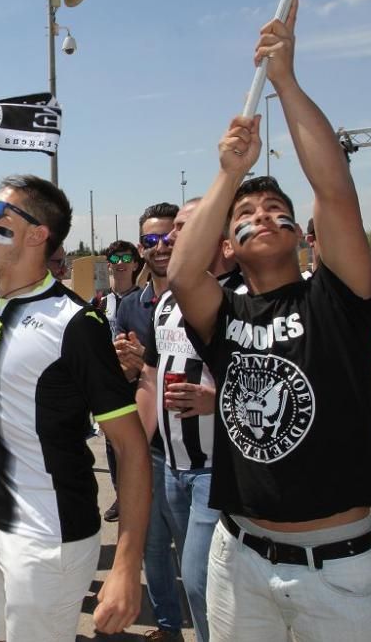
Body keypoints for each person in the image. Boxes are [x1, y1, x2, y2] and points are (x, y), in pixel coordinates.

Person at [168, 0, 371, 641]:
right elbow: (186, 275)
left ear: (301, 233)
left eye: (278, 210)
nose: (263, 216)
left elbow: (336, 192)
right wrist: (228, 174)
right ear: (230, 246)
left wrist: (288, 81)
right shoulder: (224, 312)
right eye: (247, 215)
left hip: (338, 572)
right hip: (237, 557)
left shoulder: (337, 297)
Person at [0, 117, 150, 640]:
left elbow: (132, 451)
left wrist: (126, 567)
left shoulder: (76, 326)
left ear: (37, 235)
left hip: (50, 536)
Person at [135, 199, 239, 642]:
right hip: (172, 466)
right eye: (169, 230)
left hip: (215, 471)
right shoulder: (164, 305)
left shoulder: (242, 299)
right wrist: (137, 450)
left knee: (201, 579)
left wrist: (219, 399)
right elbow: (152, 375)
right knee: (190, 573)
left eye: (183, 228)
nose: (172, 239)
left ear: (223, 241)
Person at [115, 204, 185, 641]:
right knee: (153, 545)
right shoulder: (129, 306)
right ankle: (167, 626)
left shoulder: (204, 294)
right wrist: (129, 365)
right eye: (150, 241)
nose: (159, 248)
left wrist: (150, 365)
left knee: (199, 558)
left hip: (200, 452)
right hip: (151, 447)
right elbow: (121, 376)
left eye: (166, 238)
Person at [306, 218, 371, 431]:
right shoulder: (296, 285)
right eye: (329, 233)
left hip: (358, 397)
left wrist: (361, 367)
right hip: (305, 401)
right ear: (311, 240)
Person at [93, 239, 141, 524]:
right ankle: (122, 497)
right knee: (113, 446)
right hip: (109, 385)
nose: (120, 264)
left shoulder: (146, 299)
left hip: (139, 383)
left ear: (136, 264)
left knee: (141, 444)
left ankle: (143, 496)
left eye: (126, 258)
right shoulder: (99, 302)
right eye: (114, 258)